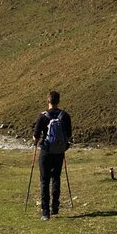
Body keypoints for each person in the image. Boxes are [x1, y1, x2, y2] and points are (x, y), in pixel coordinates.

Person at [32, 90, 72, 220]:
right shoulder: (65, 116)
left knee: (45, 181)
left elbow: (36, 136)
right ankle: (55, 207)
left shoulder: (42, 116)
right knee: (56, 178)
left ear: (48, 101)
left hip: (46, 152)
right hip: (59, 152)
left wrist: (36, 140)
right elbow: (69, 135)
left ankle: (45, 212)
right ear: (58, 101)